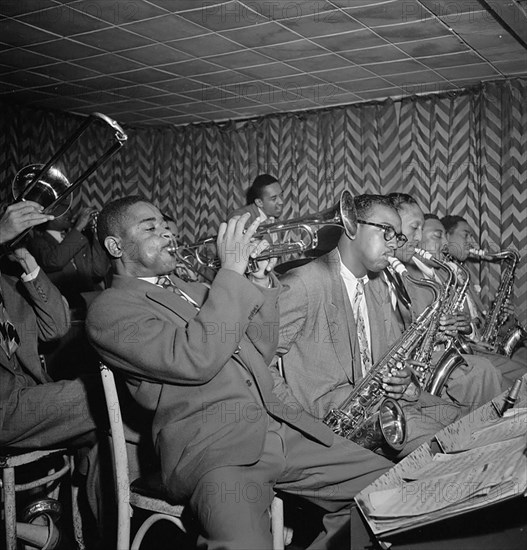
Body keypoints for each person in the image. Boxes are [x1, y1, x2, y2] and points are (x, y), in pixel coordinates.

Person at [86, 196, 392, 549]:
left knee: (392, 489)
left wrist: (259, 282)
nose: (167, 234)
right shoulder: (110, 310)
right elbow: (195, 358)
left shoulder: (197, 290)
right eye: (150, 228)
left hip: (277, 430)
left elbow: (260, 351)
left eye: (165, 225)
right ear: (115, 246)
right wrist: (230, 272)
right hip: (214, 448)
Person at [272, 194, 460, 459]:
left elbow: (391, 359)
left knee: (457, 418)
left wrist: (404, 380)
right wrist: (301, 423)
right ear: (352, 225)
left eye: (398, 236)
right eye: (387, 232)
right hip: (328, 422)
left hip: (378, 405)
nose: (394, 244)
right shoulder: (304, 283)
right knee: (443, 444)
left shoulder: (378, 287)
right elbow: (259, 365)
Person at [0, 200, 103, 530]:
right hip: (4, 407)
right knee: (109, 396)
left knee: (111, 409)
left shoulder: (9, 280)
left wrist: (25, 259)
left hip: (27, 401)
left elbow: (55, 327)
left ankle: (99, 525)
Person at [386, 194, 510, 411]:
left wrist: (461, 327)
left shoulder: (440, 274)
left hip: (437, 359)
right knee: (483, 377)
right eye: (415, 228)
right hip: (415, 369)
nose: (445, 244)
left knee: (494, 380)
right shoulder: (400, 272)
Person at [27, 206, 110, 314]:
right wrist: (78, 227)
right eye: (61, 210)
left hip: (87, 302)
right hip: (61, 306)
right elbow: (54, 261)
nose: (68, 214)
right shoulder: (38, 242)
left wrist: (97, 235)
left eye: (68, 210)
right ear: (46, 216)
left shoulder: (79, 238)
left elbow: (99, 271)